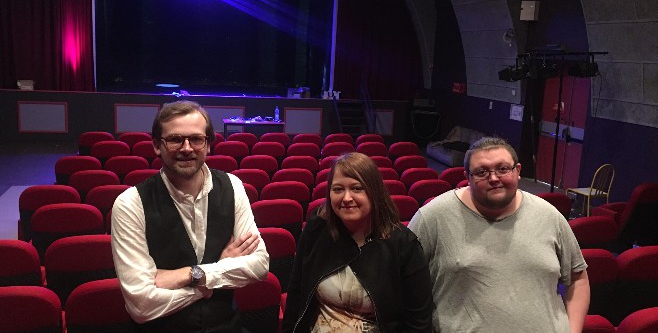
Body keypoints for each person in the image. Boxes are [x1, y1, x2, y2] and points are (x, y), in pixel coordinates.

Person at [111, 100, 269, 332]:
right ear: (157, 145)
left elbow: (259, 265)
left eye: (196, 139)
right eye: (175, 139)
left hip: (226, 327)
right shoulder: (130, 204)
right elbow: (141, 305)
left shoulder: (233, 186)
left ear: (208, 145)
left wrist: (193, 274)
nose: (187, 148)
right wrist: (212, 279)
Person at [408, 137, 590, 333]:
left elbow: (577, 279)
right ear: (467, 177)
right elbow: (401, 283)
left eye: (503, 169)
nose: (494, 178)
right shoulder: (432, 217)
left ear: (518, 171)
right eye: (481, 172)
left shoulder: (549, 216)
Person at [282, 152, 433, 332]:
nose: (346, 198)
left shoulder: (403, 244)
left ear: (374, 192)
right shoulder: (318, 227)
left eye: (356, 188)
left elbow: (419, 322)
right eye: (338, 189)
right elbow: (297, 291)